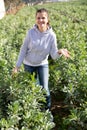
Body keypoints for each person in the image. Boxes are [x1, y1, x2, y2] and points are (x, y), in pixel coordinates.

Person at [12, 8, 70, 110]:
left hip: (42, 64)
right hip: (28, 64)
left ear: (47, 19)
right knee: (31, 88)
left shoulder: (52, 35)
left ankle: (46, 112)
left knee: (45, 89)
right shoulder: (30, 33)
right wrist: (17, 66)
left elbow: (54, 56)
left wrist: (60, 51)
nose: (41, 20)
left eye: (43, 18)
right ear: (35, 19)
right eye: (38, 18)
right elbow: (23, 49)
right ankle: (33, 110)